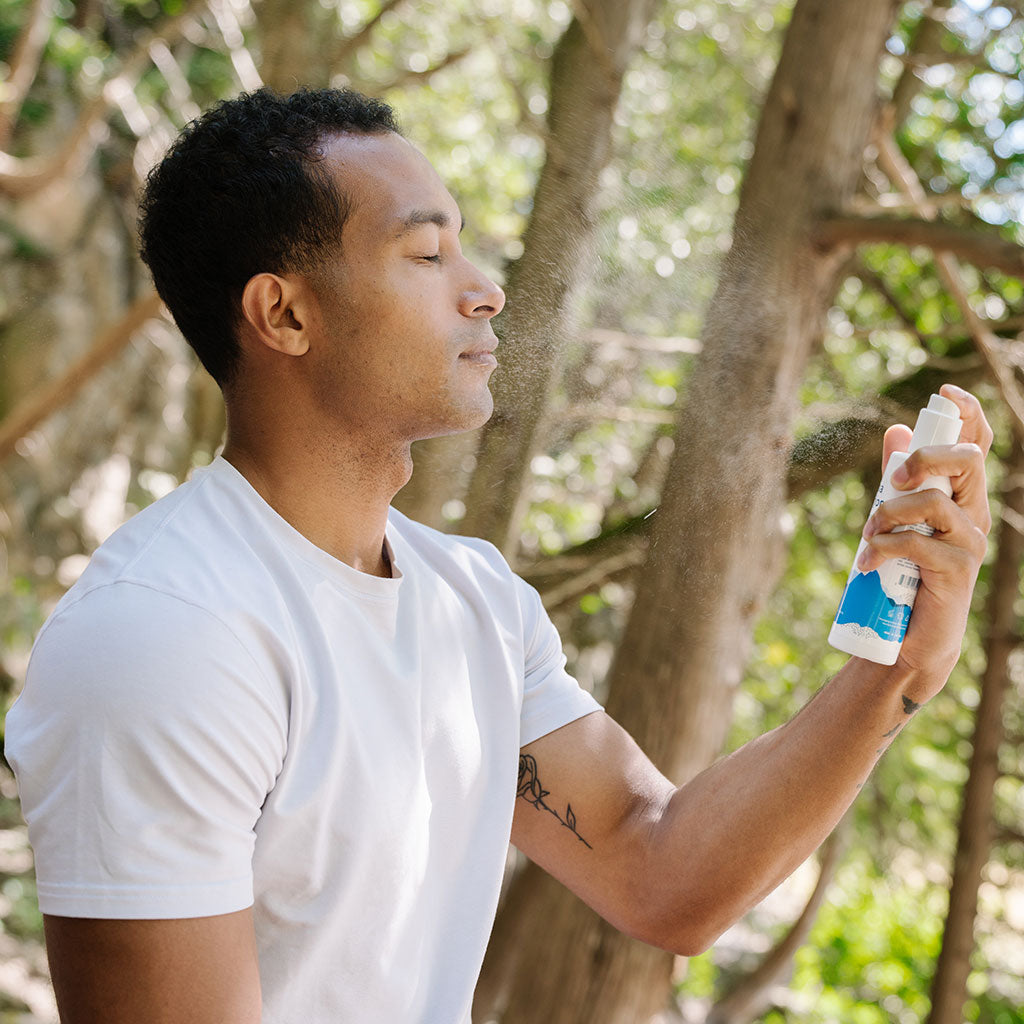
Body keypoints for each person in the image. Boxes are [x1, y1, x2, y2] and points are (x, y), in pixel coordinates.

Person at [5, 87, 993, 1024]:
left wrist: (891, 674)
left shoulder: (470, 598)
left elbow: (661, 873)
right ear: (286, 314)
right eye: (428, 253)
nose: (485, 290)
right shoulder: (164, 636)